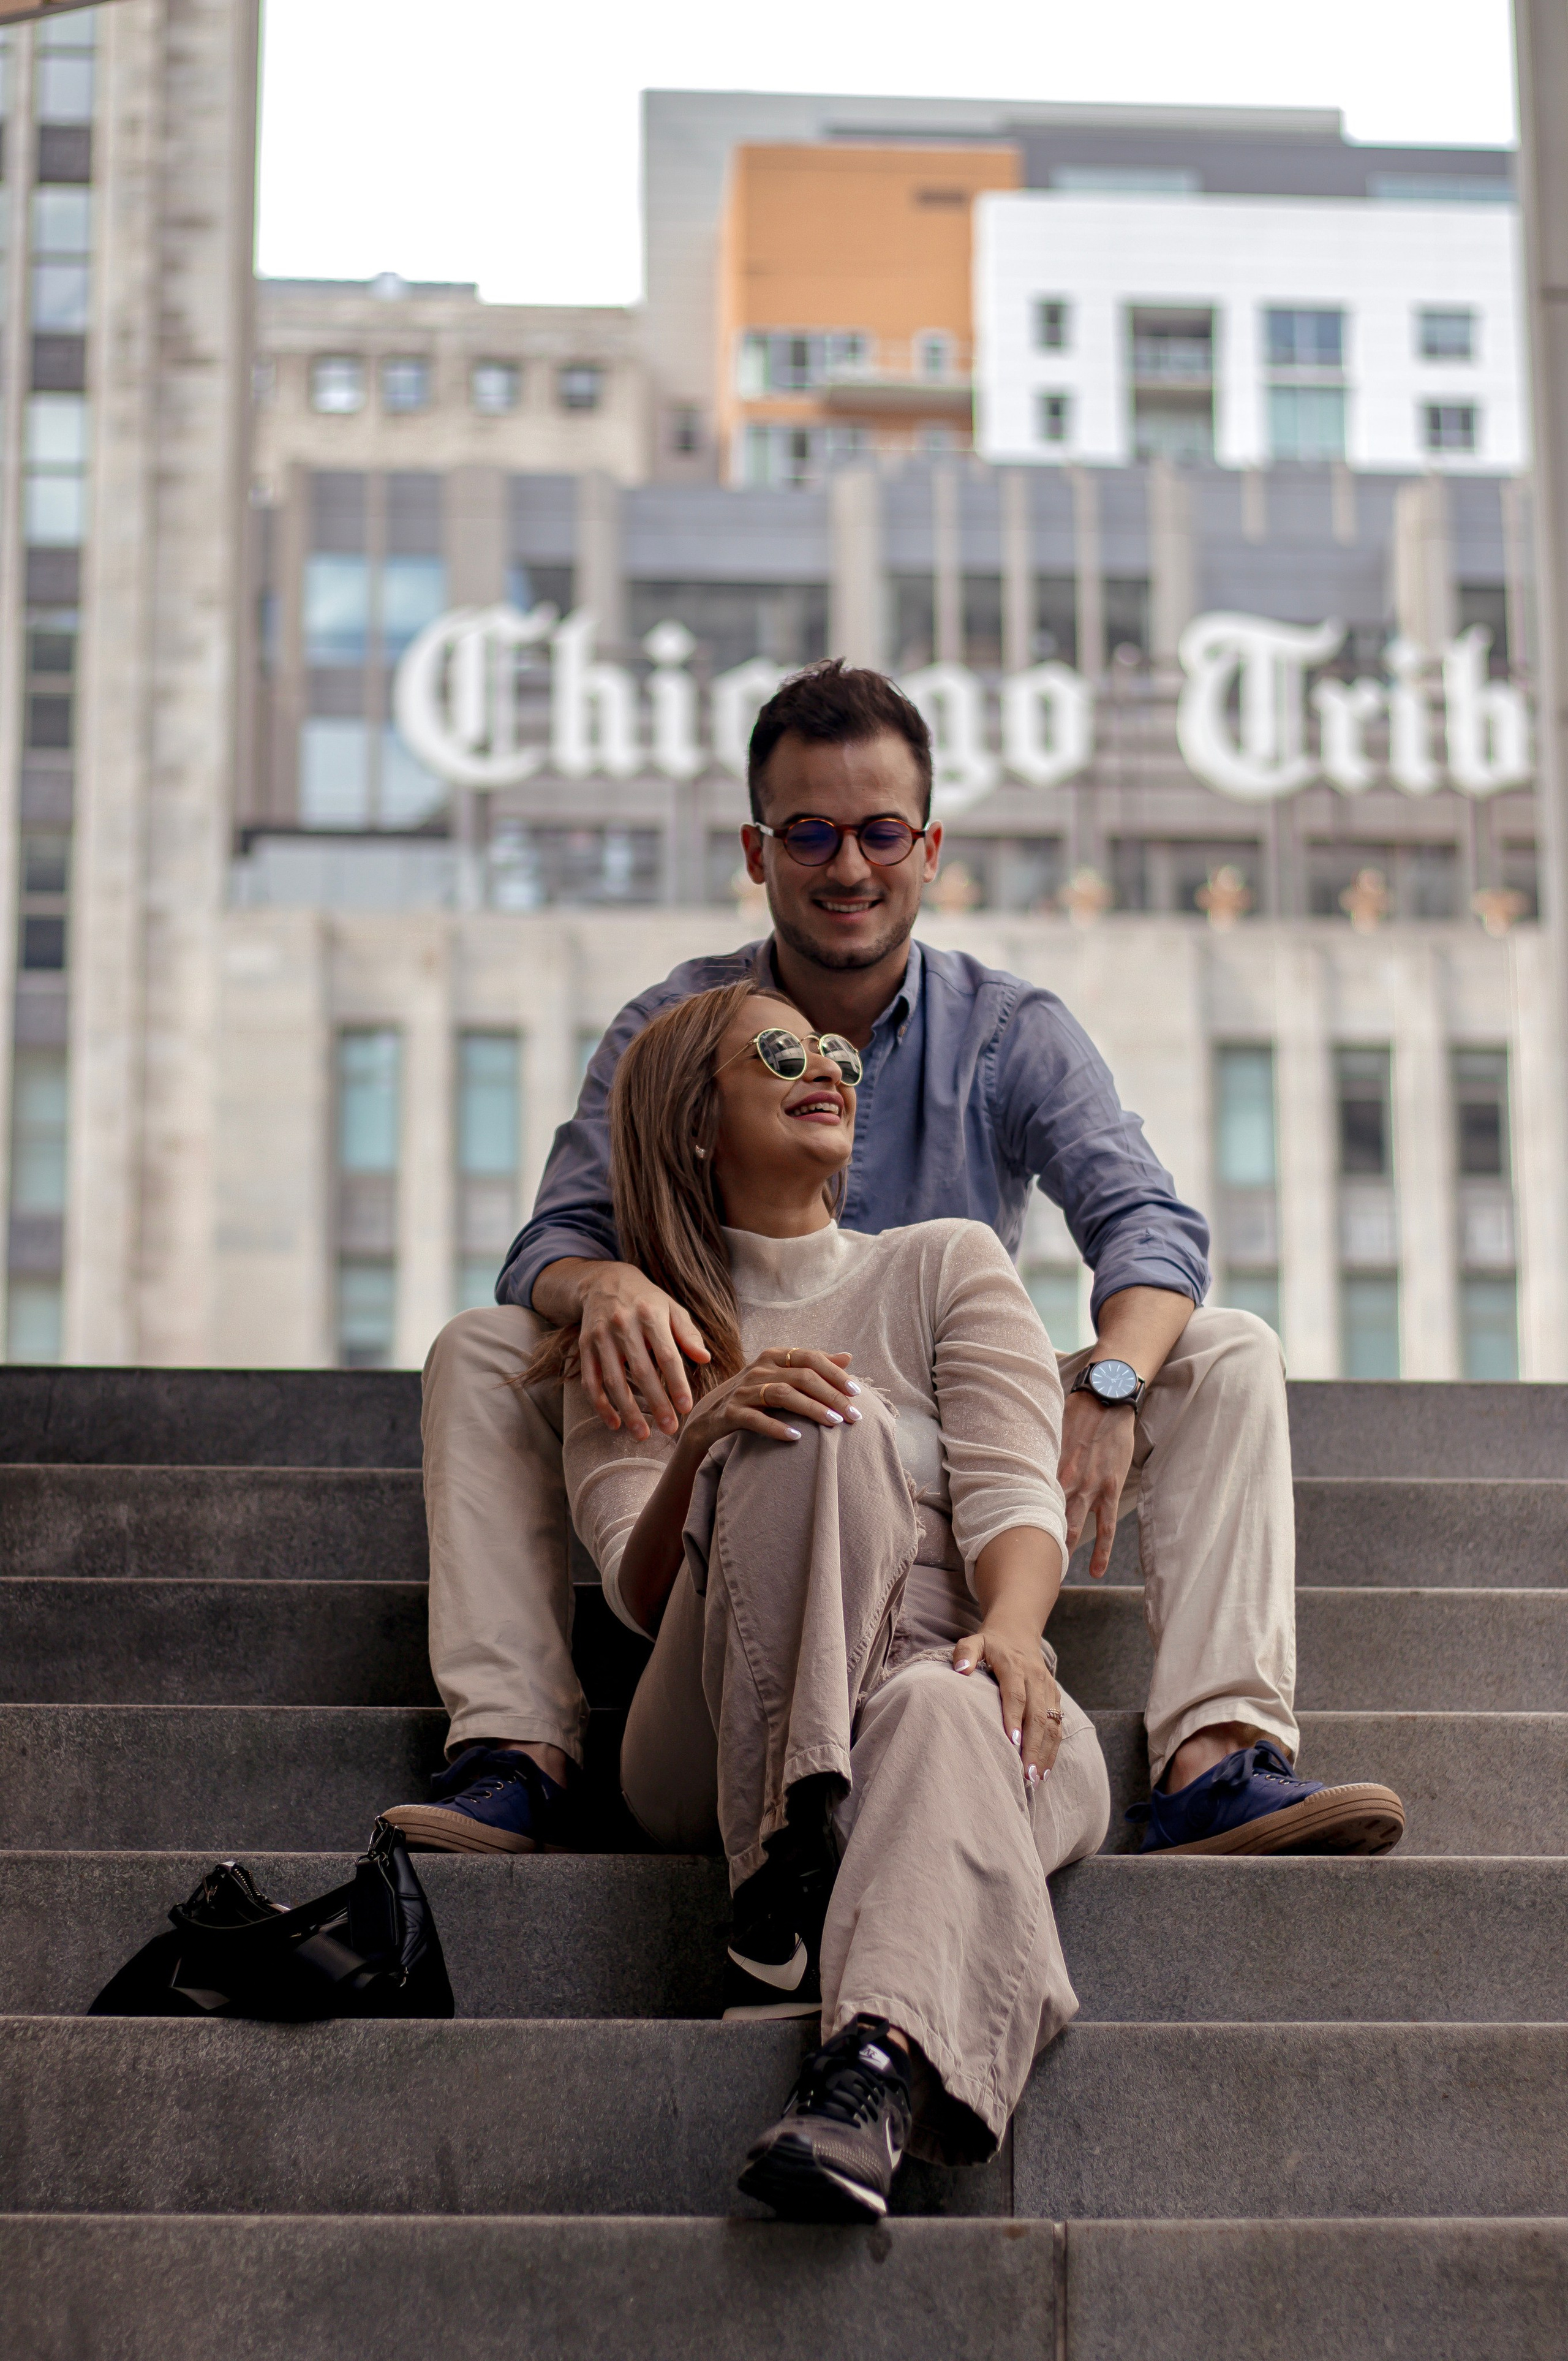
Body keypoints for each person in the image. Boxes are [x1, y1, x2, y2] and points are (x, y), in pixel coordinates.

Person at [384, 658, 1404, 1875]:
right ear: (757, 854)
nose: (848, 867)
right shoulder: (677, 1024)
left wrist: (1111, 1386)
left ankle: (1211, 1758)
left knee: (1226, 1349)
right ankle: (515, 1753)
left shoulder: (1005, 1030)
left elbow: (1146, 1225)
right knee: (488, 1346)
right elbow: (547, 1243)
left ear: (926, 846)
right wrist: (599, 1281)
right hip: (736, 1459)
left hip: (950, 1453)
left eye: (877, 832)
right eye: (809, 833)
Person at [551, 976, 1111, 2216]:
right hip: (710, 1727)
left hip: (955, 1682)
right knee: (807, 1413)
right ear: (693, 1118)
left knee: (940, 1705)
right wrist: (703, 1438)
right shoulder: (636, 1332)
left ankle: (866, 2076)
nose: (829, 1071)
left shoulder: (939, 1263)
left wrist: (1011, 1634)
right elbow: (637, 1602)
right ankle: (785, 1848)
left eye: (839, 1057)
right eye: (779, 1050)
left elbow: (1017, 1492)